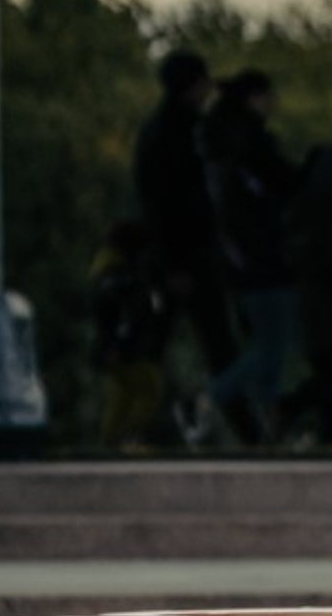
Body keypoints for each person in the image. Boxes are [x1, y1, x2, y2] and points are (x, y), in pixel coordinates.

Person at [131, 50, 232, 434]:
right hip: (186, 256)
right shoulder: (180, 132)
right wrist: (175, 262)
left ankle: (152, 420)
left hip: (178, 254)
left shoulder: (164, 129)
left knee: (158, 343)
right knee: (213, 343)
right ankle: (239, 426)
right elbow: (169, 202)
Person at [200, 70, 300, 446]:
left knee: (270, 345)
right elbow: (274, 192)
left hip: (247, 259)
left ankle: (268, 422)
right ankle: (216, 397)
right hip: (260, 258)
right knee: (272, 344)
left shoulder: (224, 147)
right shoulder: (247, 149)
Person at [279, 143, 332, 447]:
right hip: (323, 302)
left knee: (331, 370)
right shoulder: (317, 206)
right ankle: (296, 409)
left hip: (315, 301)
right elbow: (328, 256)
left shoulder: (301, 204)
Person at [89, 221, 171, 451]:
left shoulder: (111, 272)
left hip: (118, 346)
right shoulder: (120, 278)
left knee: (123, 394)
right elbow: (123, 315)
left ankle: (113, 440)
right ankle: (124, 438)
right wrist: (118, 343)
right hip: (123, 348)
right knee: (150, 388)